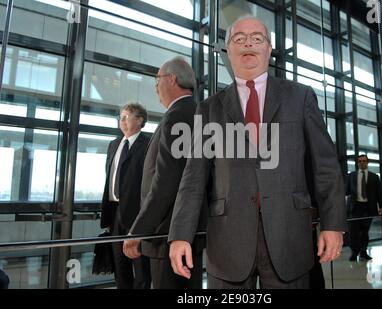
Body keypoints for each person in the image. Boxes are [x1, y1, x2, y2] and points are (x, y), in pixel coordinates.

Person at [168, 16, 347, 289]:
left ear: (269, 48)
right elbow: (193, 178)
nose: (248, 43)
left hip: (290, 237)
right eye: (239, 39)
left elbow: (325, 166)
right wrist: (180, 234)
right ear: (228, 50)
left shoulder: (300, 98)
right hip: (228, 242)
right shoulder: (209, 108)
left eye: (257, 38)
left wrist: (333, 225)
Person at [123, 57, 205, 289]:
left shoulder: (177, 115)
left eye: (157, 80)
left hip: (167, 234)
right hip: (186, 231)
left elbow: (167, 182)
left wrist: (139, 230)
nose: (156, 87)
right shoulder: (197, 112)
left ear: (172, 79)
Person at [100, 102, 151, 289]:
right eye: (120, 117)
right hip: (114, 213)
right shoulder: (114, 145)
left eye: (125, 117)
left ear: (139, 120)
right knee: (120, 269)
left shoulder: (148, 145)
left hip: (137, 214)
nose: (121, 121)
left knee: (141, 270)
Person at [346, 154, 382, 261]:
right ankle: (354, 252)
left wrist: (381, 207)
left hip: (368, 207)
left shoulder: (374, 177)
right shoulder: (351, 176)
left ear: (367, 162)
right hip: (355, 207)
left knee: (364, 232)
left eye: (364, 161)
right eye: (360, 161)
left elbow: (379, 193)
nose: (362, 163)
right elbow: (346, 191)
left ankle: (363, 252)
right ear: (357, 163)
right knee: (353, 232)